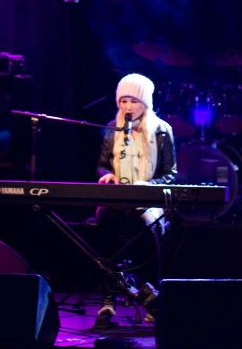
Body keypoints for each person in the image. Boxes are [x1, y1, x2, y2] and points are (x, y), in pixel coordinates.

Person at [95, 73, 177, 320]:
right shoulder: (112, 128)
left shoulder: (162, 130)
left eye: (133, 101)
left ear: (145, 102)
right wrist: (107, 175)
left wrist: (146, 184)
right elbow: (102, 165)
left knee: (146, 225)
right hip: (118, 200)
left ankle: (151, 295)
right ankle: (108, 297)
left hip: (150, 200)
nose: (128, 107)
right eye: (123, 101)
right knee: (105, 220)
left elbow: (170, 175)